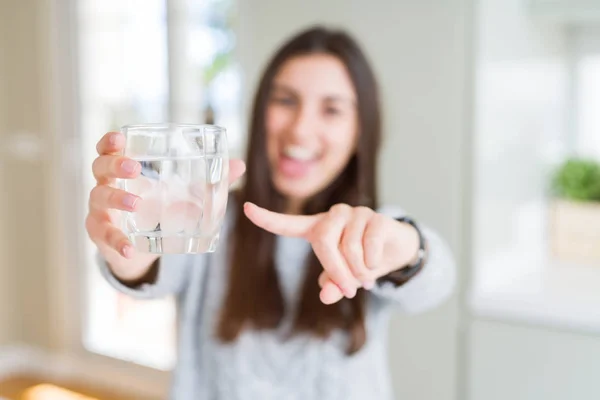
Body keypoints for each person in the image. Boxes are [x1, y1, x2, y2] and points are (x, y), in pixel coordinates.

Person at [86, 26, 456, 400]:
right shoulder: (209, 218)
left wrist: (405, 249)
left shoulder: (367, 232)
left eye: (331, 109)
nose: (300, 130)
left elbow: (437, 279)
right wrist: (128, 240)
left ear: (361, 130)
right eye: (285, 101)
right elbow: (148, 270)